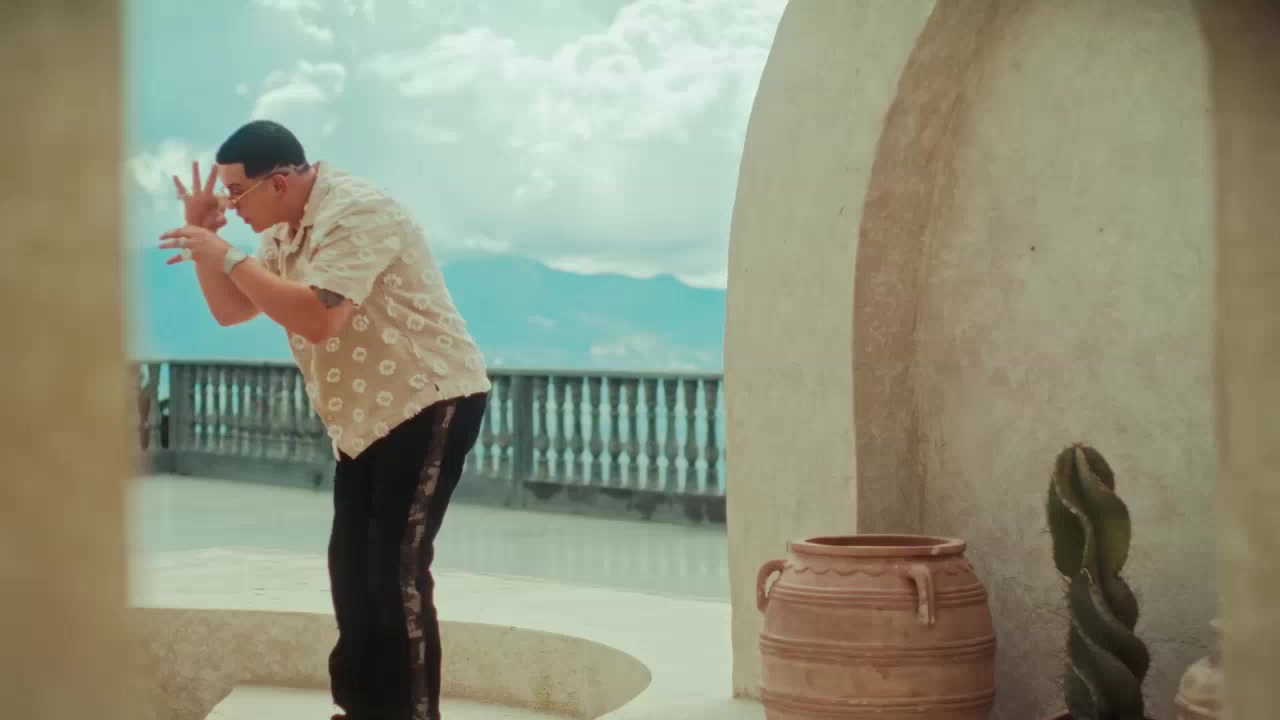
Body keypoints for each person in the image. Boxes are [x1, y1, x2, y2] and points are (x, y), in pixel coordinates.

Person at [161, 120, 492, 720]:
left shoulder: (358, 211)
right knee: (351, 569)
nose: (231, 206)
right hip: (363, 420)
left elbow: (319, 318)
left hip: (428, 396)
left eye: (235, 193)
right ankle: (360, 709)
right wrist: (207, 240)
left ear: (278, 183)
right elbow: (232, 309)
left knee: (394, 570)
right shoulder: (286, 231)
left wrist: (226, 254)